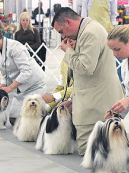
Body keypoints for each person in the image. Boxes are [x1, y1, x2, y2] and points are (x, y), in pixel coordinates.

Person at [51, 7, 124, 156]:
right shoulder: (88, 30)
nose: (62, 36)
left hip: (96, 103)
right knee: (95, 148)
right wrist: (72, 100)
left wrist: (68, 51)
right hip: (92, 100)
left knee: (89, 151)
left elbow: (85, 68)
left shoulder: (90, 34)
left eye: (61, 31)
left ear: (68, 22)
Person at [0, 23, 46, 126]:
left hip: (34, 85)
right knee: (14, 119)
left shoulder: (15, 47)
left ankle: (45, 113)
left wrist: (10, 88)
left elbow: (26, 71)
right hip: (21, 88)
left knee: (27, 119)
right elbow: (5, 76)